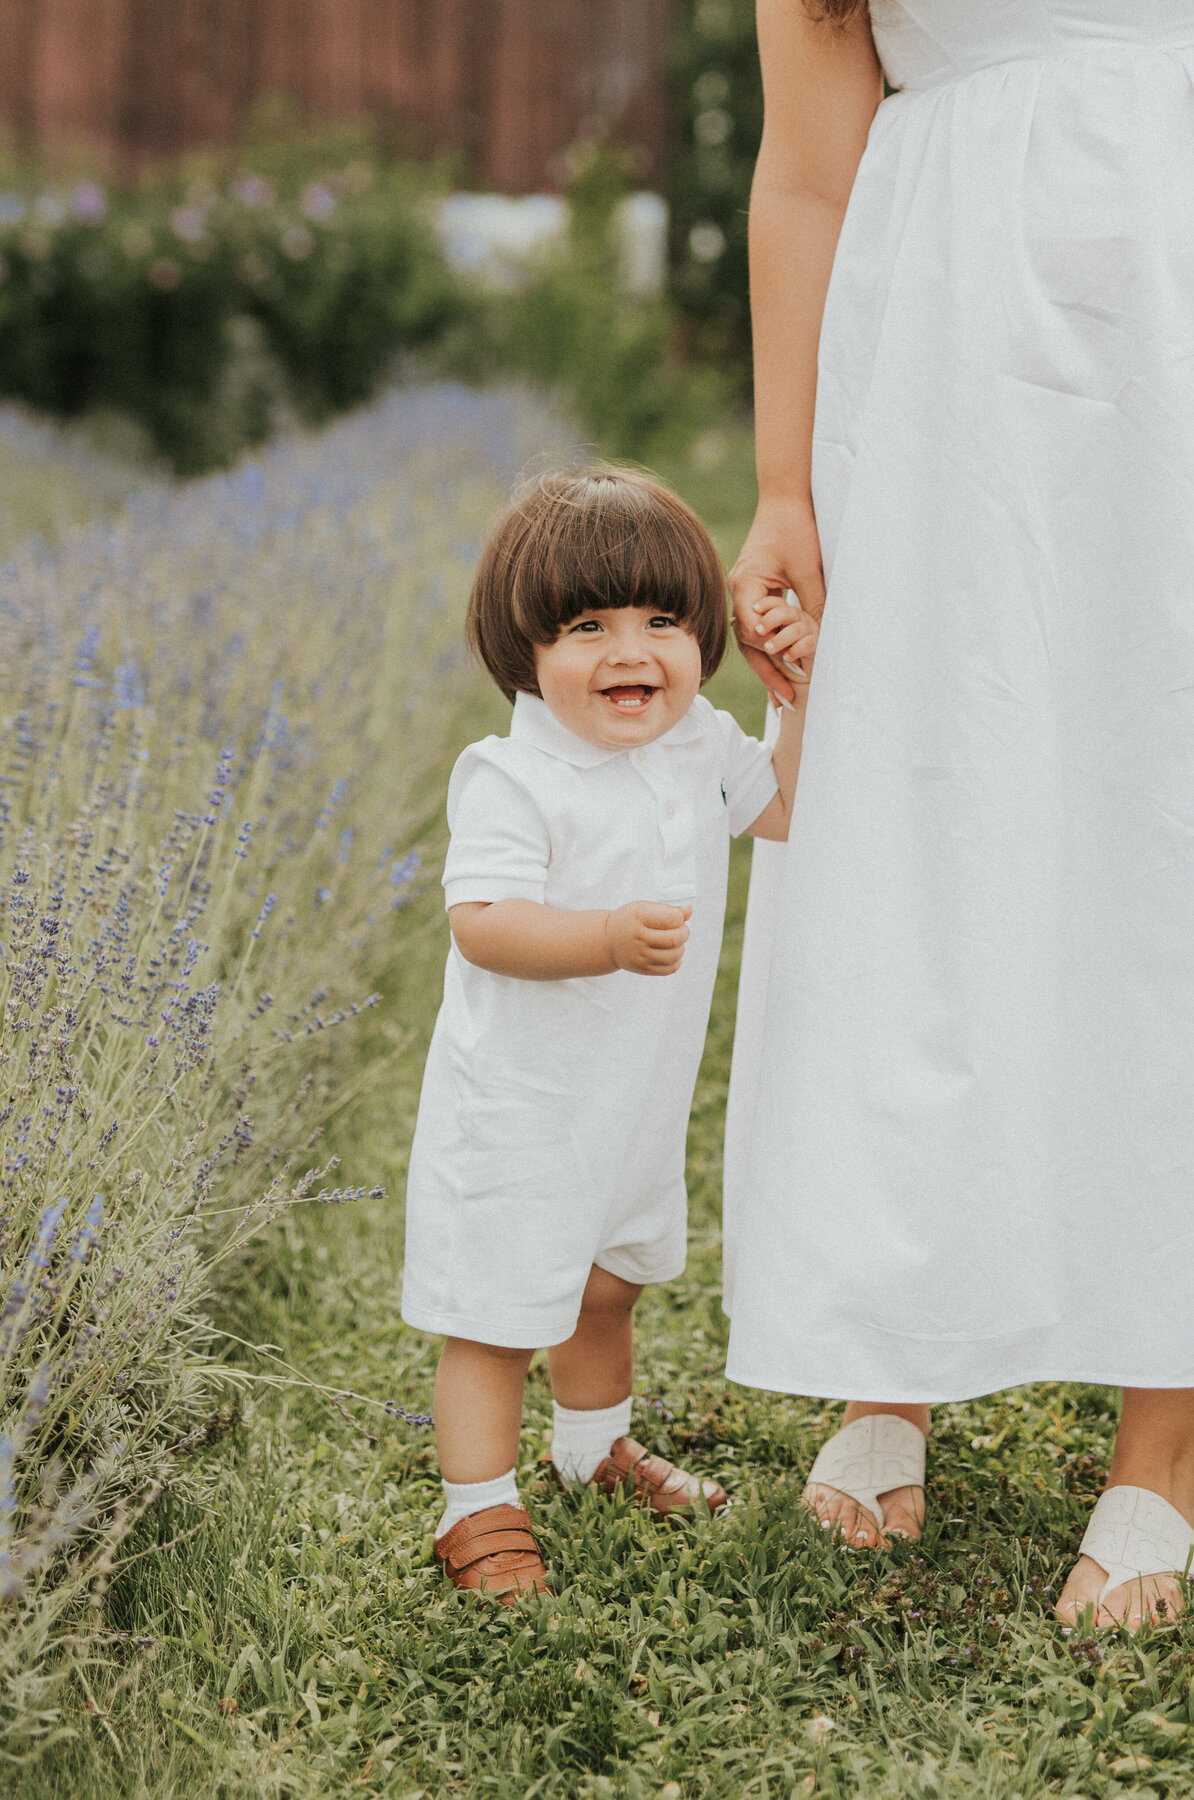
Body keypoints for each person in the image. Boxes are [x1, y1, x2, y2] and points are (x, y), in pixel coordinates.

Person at [723, 0, 1194, 1630]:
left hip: (1180, 314)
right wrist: (786, 485)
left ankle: (1163, 1453)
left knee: (1168, 838)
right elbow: (802, 167)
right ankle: (888, 1356)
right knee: (915, 822)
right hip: (931, 354)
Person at [402, 466, 816, 1603]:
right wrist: (601, 938)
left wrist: (797, 696)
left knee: (606, 1287)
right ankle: (476, 1512)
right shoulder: (515, 775)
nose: (632, 651)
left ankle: (594, 1446)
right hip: (524, 1108)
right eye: (588, 626)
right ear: (522, 649)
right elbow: (483, 925)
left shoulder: (696, 745)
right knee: (493, 1315)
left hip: (631, 1102)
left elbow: (783, 804)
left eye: (663, 621)